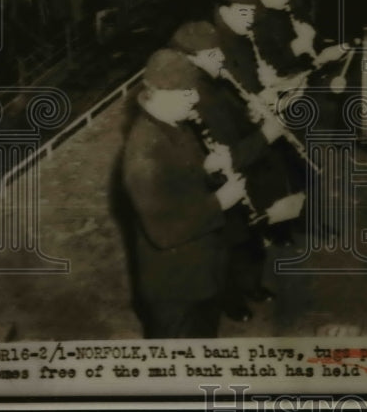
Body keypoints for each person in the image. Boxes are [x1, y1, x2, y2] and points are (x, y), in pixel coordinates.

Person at [169, 22, 298, 320]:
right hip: (217, 184)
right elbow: (220, 152)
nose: (221, 58)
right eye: (213, 53)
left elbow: (230, 125)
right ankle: (231, 300)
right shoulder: (190, 95)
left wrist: (251, 117)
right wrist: (266, 135)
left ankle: (252, 286)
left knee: (250, 238)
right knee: (227, 247)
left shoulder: (211, 81)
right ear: (191, 58)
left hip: (239, 176)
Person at [121, 49, 242, 338]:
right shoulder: (144, 153)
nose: (196, 99)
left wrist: (208, 167)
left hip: (200, 270)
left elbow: (179, 182)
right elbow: (164, 231)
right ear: (160, 92)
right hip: (175, 286)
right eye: (187, 93)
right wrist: (220, 201)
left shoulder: (173, 124)